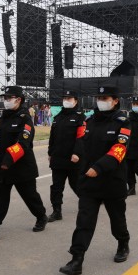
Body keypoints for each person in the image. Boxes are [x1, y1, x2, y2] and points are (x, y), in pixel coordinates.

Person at [59, 86, 131, 275]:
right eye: (99, 98)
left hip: (112, 180)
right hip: (89, 181)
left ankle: (123, 243)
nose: (101, 101)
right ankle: (77, 259)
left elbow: (119, 149)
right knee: (84, 221)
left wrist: (99, 167)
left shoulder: (123, 122)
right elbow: (82, 147)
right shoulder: (90, 121)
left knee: (117, 219)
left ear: (115, 100)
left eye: (105, 98)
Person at [0, 86, 48, 239]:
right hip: (3, 166)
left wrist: (7, 160)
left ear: (19, 100)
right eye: (4, 98)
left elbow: (23, 143)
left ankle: (41, 217)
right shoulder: (4, 117)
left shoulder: (25, 119)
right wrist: (3, 162)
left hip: (21, 166)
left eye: (9, 98)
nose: (6, 101)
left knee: (30, 196)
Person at [47, 90, 86, 222]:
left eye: (69, 98)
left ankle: (88, 203)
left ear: (76, 101)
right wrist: (50, 153)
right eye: (65, 98)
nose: (66, 101)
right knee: (56, 187)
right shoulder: (58, 117)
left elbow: (81, 138)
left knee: (76, 184)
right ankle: (56, 211)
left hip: (73, 159)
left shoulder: (80, 117)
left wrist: (77, 153)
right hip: (58, 158)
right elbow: (52, 137)